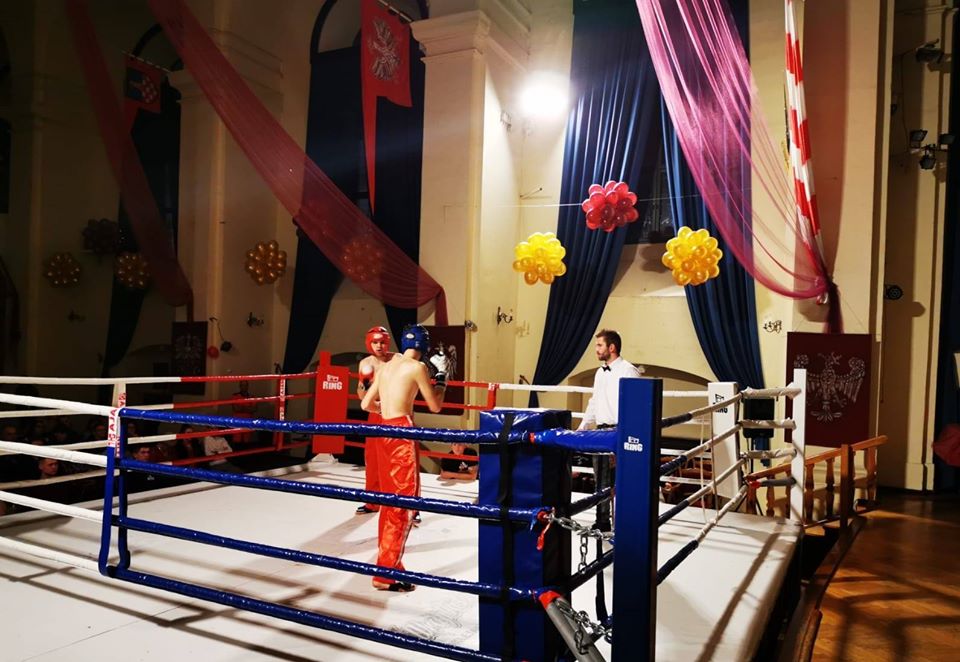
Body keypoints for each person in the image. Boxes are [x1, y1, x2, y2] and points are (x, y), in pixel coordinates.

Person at [360, 323, 446, 592]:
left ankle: (389, 566)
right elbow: (435, 405)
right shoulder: (417, 367)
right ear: (424, 346)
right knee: (403, 504)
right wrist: (442, 378)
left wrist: (387, 407)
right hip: (400, 433)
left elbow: (365, 404)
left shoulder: (385, 367)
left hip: (383, 430)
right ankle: (386, 573)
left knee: (389, 501)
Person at [577, 329, 643, 532]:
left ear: (611, 347)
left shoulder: (628, 371)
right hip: (600, 431)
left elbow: (634, 406)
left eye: (600, 345)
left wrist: (625, 434)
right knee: (601, 480)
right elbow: (594, 401)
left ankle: (625, 523)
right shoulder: (600, 372)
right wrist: (582, 426)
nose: (596, 349)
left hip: (620, 430)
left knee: (621, 480)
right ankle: (602, 521)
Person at [355, 326, 392, 515]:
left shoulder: (397, 360)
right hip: (375, 414)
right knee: (373, 458)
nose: (379, 346)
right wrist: (365, 383)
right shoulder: (366, 363)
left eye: (382, 342)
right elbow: (361, 394)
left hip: (395, 412)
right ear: (369, 343)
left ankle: (407, 506)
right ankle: (373, 501)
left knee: (398, 460)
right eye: (375, 342)